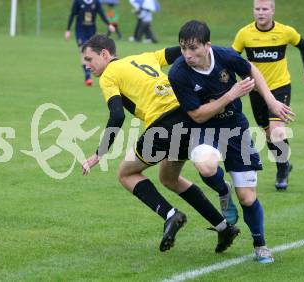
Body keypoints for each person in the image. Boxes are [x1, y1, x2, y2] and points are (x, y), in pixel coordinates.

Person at [80, 34, 240, 253]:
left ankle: (170, 215)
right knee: (169, 178)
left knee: (126, 174)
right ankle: (224, 228)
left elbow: (117, 116)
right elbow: (182, 51)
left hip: (163, 126)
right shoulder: (146, 56)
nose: (86, 65)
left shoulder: (108, 75)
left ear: (105, 54)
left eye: (89, 59)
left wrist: (100, 153)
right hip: (188, 116)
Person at [168, 20, 294, 263]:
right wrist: (231, 94)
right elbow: (197, 115)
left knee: (247, 197)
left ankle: (260, 245)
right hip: (203, 129)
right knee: (205, 165)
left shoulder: (224, 56)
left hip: (235, 127)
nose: (187, 54)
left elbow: (252, 69)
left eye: (193, 48)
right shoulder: (178, 73)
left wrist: (271, 101)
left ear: (208, 46)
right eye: (183, 48)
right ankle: (223, 190)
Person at [232, 0, 304, 190]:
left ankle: (281, 171)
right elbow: (232, 58)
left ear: (272, 11)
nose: (260, 13)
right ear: (253, 11)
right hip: (256, 89)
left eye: (264, 9)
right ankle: (284, 162)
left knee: (278, 131)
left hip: (280, 87)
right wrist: (240, 80)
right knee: (268, 134)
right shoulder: (244, 34)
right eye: (257, 9)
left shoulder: (285, 31)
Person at [65, 0, 115, 86]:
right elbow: (72, 15)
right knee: (83, 51)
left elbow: (102, 14)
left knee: (93, 53)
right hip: (80, 31)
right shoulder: (78, 2)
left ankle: (101, 73)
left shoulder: (96, 2)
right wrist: (68, 30)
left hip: (92, 31)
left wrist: (109, 24)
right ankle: (88, 76)